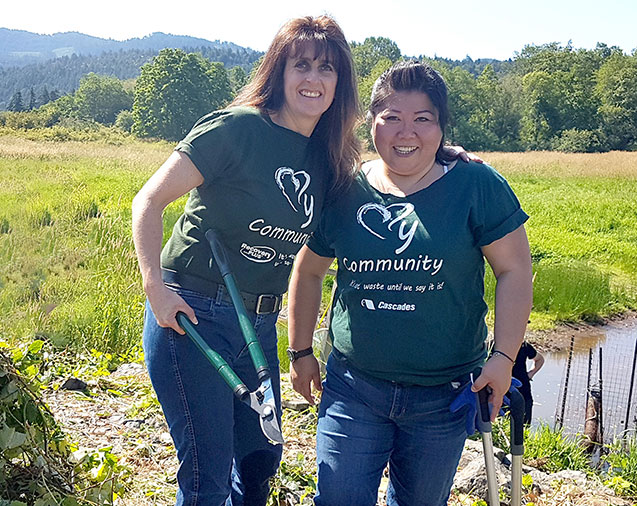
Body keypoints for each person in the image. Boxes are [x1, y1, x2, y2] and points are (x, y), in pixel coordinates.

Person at [131, 16, 362, 506]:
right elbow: (149, 201)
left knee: (260, 460)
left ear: (340, 82)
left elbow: (388, 171)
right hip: (192, 316)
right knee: (206, 478)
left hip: (257, 322)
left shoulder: (330, 154)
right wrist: (155, 287)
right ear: (278, 71)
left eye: (326, 68)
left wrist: (443, 154)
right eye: (301, 65)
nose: (313, 79)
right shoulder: (235, 129)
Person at [287, 60, 533, 506]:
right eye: (392, 118)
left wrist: (502, 357)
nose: (407, 133)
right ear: (372, 123)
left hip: (445, 394)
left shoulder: (476, 185)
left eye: (423, 119)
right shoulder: (344, 188)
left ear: (442, 128)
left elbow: (514, 270)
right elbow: (308, 270)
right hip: (353, 387)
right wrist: (301, 351)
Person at [512, 340, 544, 425]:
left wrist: (530, 374)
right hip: (503, 392)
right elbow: (540, 359)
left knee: (524, 424)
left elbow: (540, 359)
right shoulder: (494, 345)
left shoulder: (524, 346)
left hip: (523, 390)